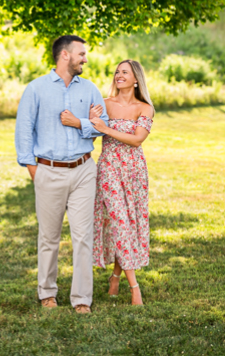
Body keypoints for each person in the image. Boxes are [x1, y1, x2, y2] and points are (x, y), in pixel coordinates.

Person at [14, 34, 108, 314]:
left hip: (83, 171)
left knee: (83, 237)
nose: (85, 59)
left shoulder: (90, 89)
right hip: (48, 171)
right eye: (81, 54)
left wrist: (81, 123)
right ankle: (47, 293)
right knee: (49, 237)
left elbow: (100, 127)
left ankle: (81, 299)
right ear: (65, 55)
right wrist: (34, 169)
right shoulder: (36, 89)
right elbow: (23, 131)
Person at [87, 59, 154, 306]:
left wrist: (106, 128)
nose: (119, 75)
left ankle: (116, 276)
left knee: (127, 223)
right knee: (118, 221)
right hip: (108, 169)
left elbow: (137, 140)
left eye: (125, 72)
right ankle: (135, 287)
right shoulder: (104, 104)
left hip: (134, 171)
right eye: (117, 72)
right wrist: (92, 123)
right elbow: (90, 132)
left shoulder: (145, 108)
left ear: (136, 79)